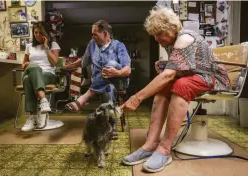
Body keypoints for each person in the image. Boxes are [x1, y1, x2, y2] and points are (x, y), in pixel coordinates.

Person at [121, 7, 231, 173]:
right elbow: (184, 67)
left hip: (213, 78)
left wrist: (136, 98)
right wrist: (166, 66)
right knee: (165, 86)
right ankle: (150, 145)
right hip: (194, 76)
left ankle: (165, 149)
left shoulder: (184, 38)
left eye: (160, 33)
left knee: (180, 84)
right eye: (155, 34)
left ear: (172, 28)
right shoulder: (170, 41)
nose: (157, 38)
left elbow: (171, 75)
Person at [64, 20, 131, 139]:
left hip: (119, 80)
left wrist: (117, 72)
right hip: (103, 84)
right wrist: (68, 67)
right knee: (108, 88)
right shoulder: (92, 44)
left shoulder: (118, 46)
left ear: (105, 34)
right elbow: (84, 61)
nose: (92, 36)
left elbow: (127, 69)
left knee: (111, 63)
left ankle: (84, 97)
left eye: (95, 34)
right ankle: (111, 127)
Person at [21, 21, 60, 132]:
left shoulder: (53, 45)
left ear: (45, 33)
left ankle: (32, 117)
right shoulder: (29, 46)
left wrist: (46, 47)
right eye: (35, 32)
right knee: (33, 69)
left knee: (27, 79)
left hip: (48, 75)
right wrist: (27, 65)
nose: (37, 35)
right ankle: (43, 101)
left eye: (40, 33)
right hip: (33, 72)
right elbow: (23, 64)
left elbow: (54, 63)